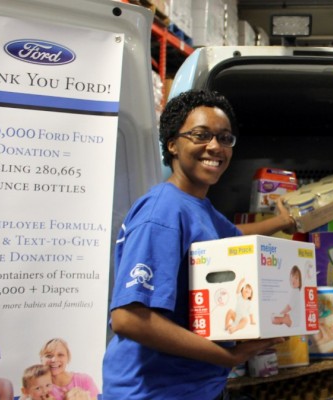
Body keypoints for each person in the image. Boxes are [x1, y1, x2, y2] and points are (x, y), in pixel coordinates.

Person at [102, 90, 292, 400]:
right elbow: (128, 319)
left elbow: (229, 237)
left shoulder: (195, 206)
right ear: (173, 144)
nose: (215, 147)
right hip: (154, 392)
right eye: (201, 135)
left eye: (225, 138)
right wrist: (228, 358)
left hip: (193, 387)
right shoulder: (163, 211)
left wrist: (282, 223)